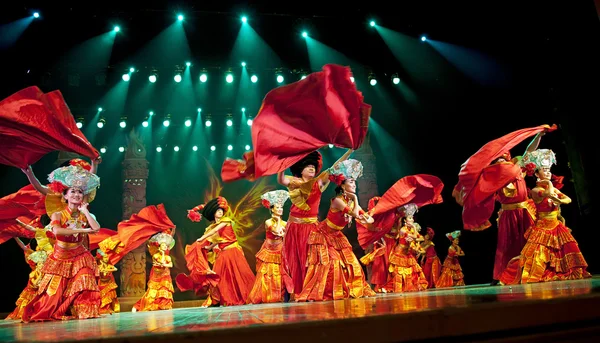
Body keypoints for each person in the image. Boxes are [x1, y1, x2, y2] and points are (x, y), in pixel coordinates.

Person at [22, 164, 101, 322]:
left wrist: (85, 211)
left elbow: (97, 228)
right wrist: (29, 172)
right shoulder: (58, 214)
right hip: (61, 257)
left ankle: (84, 310)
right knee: (52, 300)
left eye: (80, 192)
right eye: (73, 191)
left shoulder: (86, 214)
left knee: (85, 278)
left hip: (80, 255)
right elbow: (58, 232)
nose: (77, 194)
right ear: (65, 196)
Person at [500, 149, 591, 284]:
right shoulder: (536, 191)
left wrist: (559, 200)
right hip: (542, 227)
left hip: (556, 225)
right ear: (536, 173)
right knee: (537, 256)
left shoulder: (553, 190)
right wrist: (549, 184)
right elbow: (548, 193)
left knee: (569, 246)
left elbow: (568, 200)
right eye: (544, 169)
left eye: (549, 169)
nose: (548, 172)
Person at [296, 159, 376, 301]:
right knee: (332, 264)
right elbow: (357, 215)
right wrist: (356, 199)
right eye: (351, 181)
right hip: (324, 234)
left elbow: (370, 220)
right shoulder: (337, 200)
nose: (354, 184)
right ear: (342, 184)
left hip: (337, 235)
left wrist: (366, 216)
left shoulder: (350, 202)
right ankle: (325, 292)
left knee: (353, 263)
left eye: (354, 182)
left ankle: (348, 289)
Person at [277, 149, 353, 298]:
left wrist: (349, 151)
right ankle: (300, 292)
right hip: (294, 227)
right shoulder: (294, 182)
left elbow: (335, 167)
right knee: (297, 261)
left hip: (312, 227)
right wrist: (281, 162)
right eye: (308, 166)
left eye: (313, 166)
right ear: (301, 169)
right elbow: (281, 180)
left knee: (313, 259)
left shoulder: (319, 182)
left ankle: (313, 289)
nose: (311, 168)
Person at [187, 197, 255, 306]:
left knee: (238, 275)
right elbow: (219, 239)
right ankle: (216, 299)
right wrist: (209, 248)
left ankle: (246, 296)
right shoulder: (215, 225)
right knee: (217, 275)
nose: (220, 212)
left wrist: (202, 238)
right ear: (214, 213)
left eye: (221, 211)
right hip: (223, 252)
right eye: (218, 211)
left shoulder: (226, 221)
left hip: (232, 251)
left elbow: (215, 230)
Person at [247, 190, 293, 304]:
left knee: (279, 272)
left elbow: (284, 236)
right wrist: (277, 221)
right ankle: (267, 295)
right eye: (277, 207)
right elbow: (276, 231)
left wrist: (280, 222)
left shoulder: (285, 223)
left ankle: (280, 296)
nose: (280, 209)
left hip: (279, 249)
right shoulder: (268, 221)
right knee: (266, 273)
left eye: (281, 207)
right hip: (269, 249)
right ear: (272, 209)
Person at [132, 232, 175, 312]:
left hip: (165, 275)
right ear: (159, 247)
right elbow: (161, 262)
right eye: (163, 245)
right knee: (152, 292)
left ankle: (164, 305)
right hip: (157, 276)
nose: (165, 247)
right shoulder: (155, 256)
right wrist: (162, 255)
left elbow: (170, 265)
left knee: (165, 289)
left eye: (166, 246)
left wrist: (164, 264)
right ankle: (138, 305)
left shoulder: (168, 257)